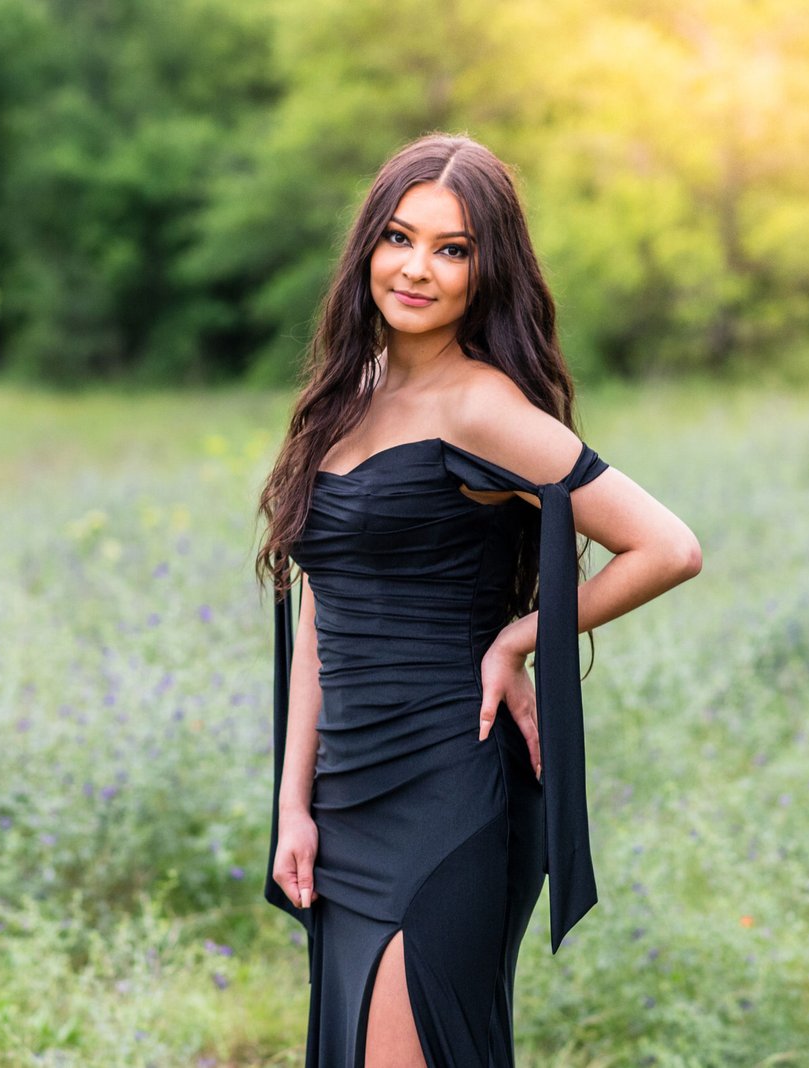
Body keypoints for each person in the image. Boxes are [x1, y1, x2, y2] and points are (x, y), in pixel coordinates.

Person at [253, 133, 703, 1068]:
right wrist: (292, 807)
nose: (417, 268)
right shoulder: (349, 396)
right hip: (346, 801)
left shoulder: (482, 406)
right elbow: (323, 625)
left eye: (453, 249)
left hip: (448, 796)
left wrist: (517, 640)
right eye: (399, 237)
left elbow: (666, 546)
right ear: (367, 248)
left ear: (486, 271)